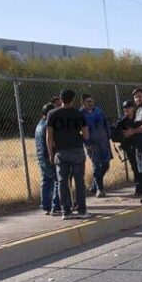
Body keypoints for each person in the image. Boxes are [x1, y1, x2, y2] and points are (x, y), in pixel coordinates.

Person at [45, 89, 89, 219]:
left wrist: (50, 153)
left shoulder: (52, 114)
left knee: (62, 182)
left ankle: (66, 211)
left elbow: (49, 136)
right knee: (79, 182)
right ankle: (82, 210)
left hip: (61, 151)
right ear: (73, 100)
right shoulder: (78, 114)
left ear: (60, 98)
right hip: (77, 150)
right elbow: (86, 135)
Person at [80, 93, 113, 197]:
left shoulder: (98, 110)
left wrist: (108, 136)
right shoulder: (80, 114)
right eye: (88, 102)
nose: (91, 103)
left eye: (91, 101)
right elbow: (80, 131)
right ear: (83, 103)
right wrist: (86, 144)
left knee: (106, 165)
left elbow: (105, 123)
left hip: (104, 143)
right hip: (92, 145)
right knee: (97, 167)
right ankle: (100, 189)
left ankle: (95, 184)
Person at [112, 100, 142, 197]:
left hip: (140, 146)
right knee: (135, 167)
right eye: (125, 108)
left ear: (133, 108)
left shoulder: (139, 118)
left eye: (128, 107)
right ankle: (139, 189)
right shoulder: (122, 121)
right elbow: (114, 134)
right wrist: (122, 136)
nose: (126, 109)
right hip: (129, 147)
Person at [34, 103, 62, 215]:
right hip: (49, 155)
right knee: (57, 180)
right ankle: (55, 206)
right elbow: (52, 141)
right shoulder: (48, 125)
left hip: (41, 156)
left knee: (46, 180)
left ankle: (46, 206)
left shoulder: (39, 125)